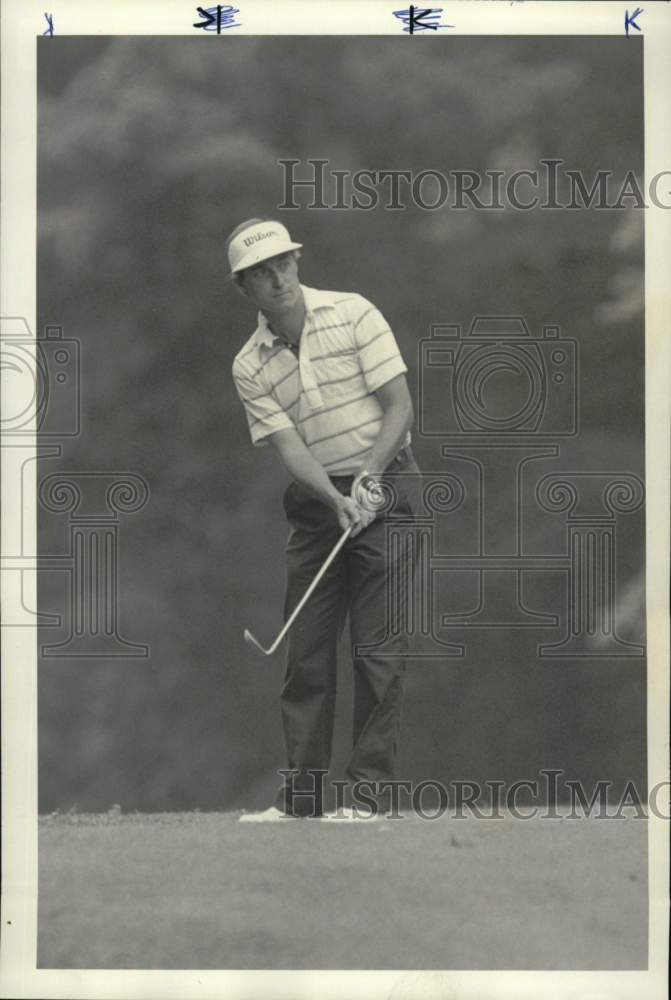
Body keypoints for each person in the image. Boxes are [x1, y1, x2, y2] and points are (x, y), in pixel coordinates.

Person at [230, 217, 422, 821]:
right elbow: (291, 450)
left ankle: (368, 797)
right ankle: (304, 802)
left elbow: (400, 406)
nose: (277, 279)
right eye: (261, 273)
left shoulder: (355, 313)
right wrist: (335, 500)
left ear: (297, 261)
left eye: (282, 264)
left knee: (376, 651)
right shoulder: (249, 365)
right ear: (245, 288)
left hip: (386, 484)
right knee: (307, 653)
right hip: (319, 504)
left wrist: (367, 479)